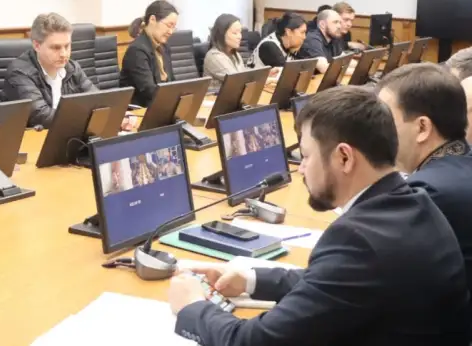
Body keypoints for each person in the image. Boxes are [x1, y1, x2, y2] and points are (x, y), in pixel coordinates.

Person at [170, 86, 470, 345]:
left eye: (306, 156)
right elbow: (337, 282)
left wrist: (193, 307)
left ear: (344, 157)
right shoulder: (415, 202)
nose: (300, 168)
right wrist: (250, 279)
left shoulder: (358, 239)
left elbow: (253, 341)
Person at [376, 63, 472, 323]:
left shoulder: (427, 193)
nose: (378, 131)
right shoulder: (464, 159)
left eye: (386, 121)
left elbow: (366, 275)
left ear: (422, 128)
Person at [3, 13, 97, 129]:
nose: (64, 54)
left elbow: (98, 101)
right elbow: (42, 116)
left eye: (67, 46)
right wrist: (87, 117)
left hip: (68, 133)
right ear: (37, 46)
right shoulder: (19, 73)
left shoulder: (72, 68)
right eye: (56, 48)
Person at [120, 0, 178, 107]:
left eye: (173, 27)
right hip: (139, 110)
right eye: (169, 25)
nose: (171, 32)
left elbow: (172, 83)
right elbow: (150, 91)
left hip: (160, 106)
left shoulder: (164, 47)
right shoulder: (137, 50)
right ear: (152, 20)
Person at [202, 14, 245, 90]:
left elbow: (244, 76)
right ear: (222, 34)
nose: (240, 36)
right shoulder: (214, 56)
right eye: (235, 33)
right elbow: (237, 80)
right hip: (216, 96)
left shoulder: (235, 54)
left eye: (240, 32)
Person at [296, 8, 342, 74]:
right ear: (322, 24)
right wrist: (351, 71)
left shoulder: (333, 38)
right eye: (335, 22)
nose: (339, 26)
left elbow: (345, 60)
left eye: (340, 23)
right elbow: (324, 68)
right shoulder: (312, 39)